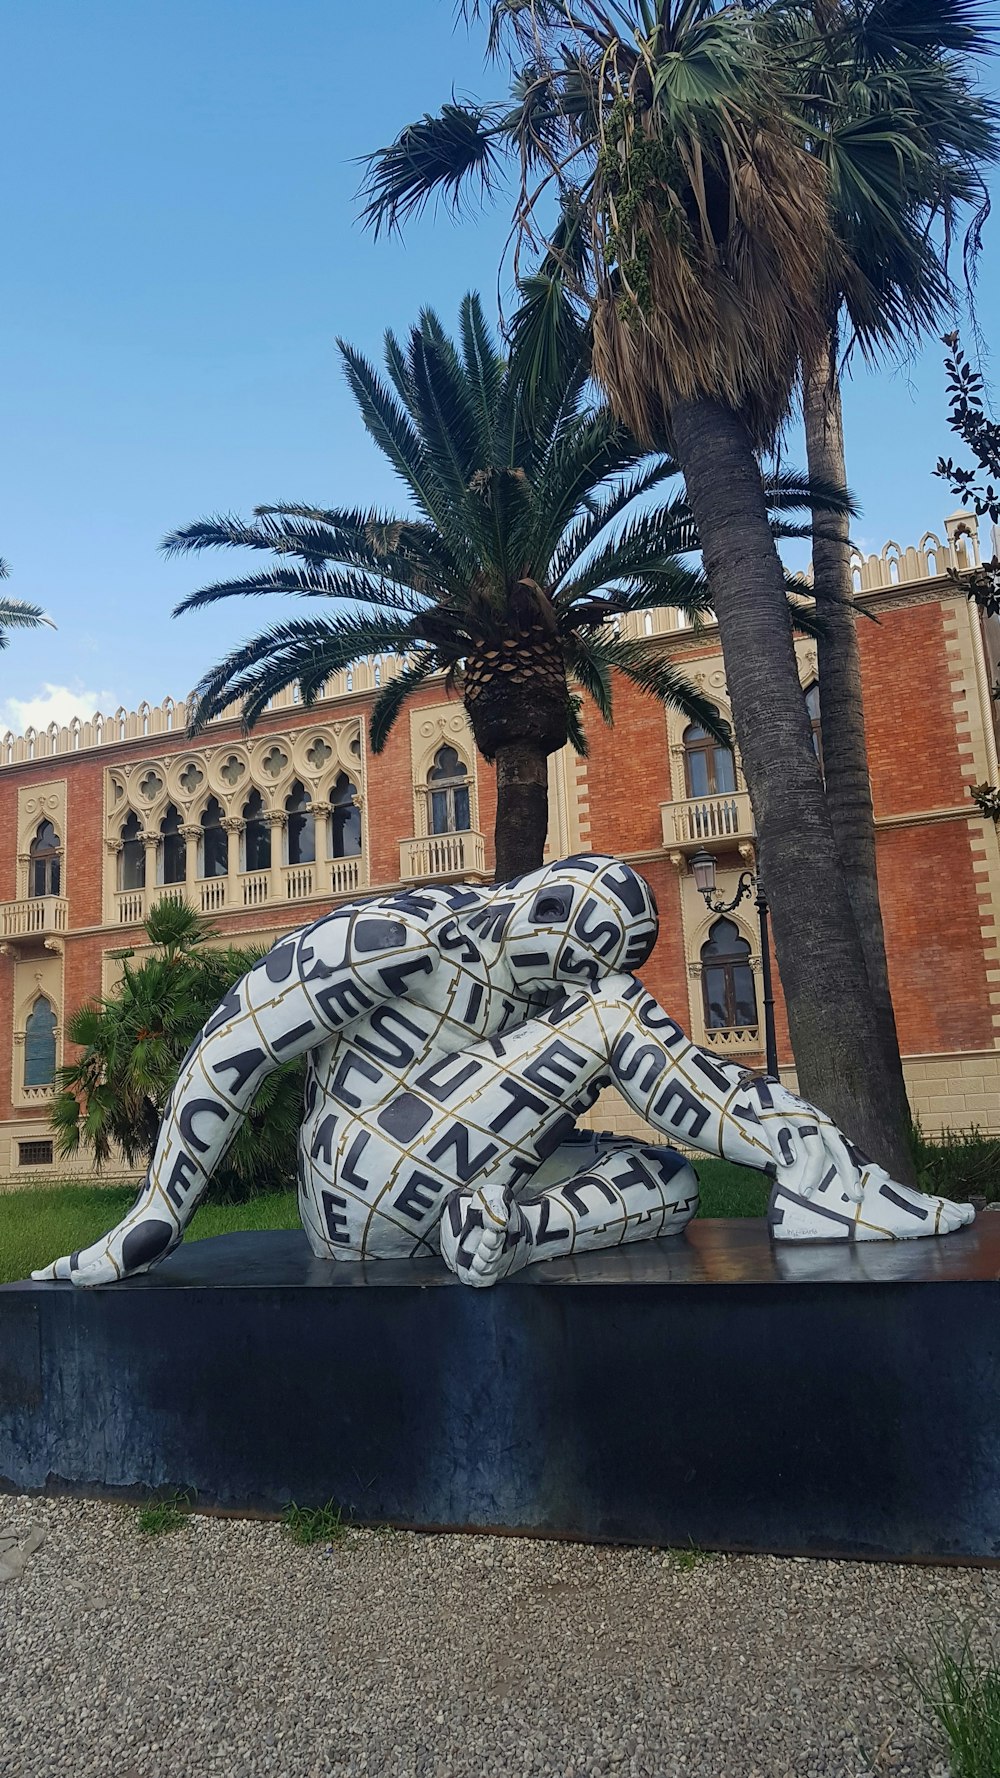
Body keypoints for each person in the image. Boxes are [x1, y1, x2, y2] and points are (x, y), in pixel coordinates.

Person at [33, 855, 973, 1289]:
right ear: (535, 892)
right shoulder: (397, 937)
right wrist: (151, 1218)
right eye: (567, 924)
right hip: (361, 1184)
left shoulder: (558, 997)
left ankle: (506, 1235)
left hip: (461, 1179)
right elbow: (233, 1047)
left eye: (600, 959)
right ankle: (814, 1165)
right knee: (611, 1029)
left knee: (669, 1182)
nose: (572, 963)